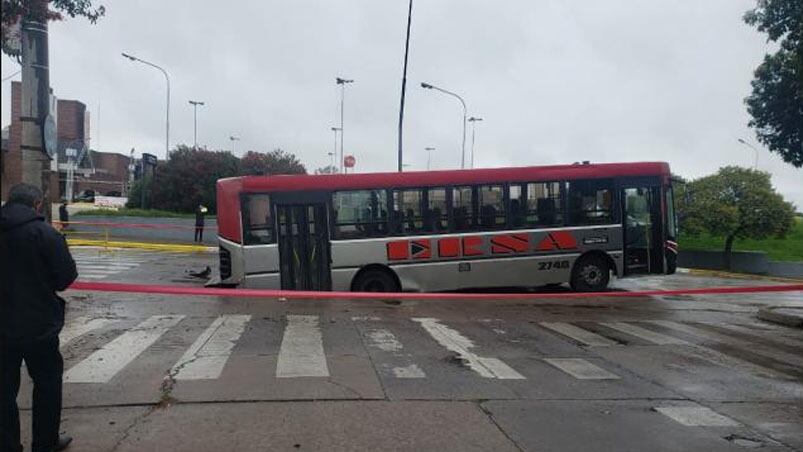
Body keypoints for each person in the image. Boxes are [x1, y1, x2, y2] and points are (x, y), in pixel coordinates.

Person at [1, 183, 77, 452]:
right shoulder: (45, 234)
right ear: (36, 205)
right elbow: (66, 277)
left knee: (3, 391)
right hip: (39, 326)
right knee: (47, 384)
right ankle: (45, 443)